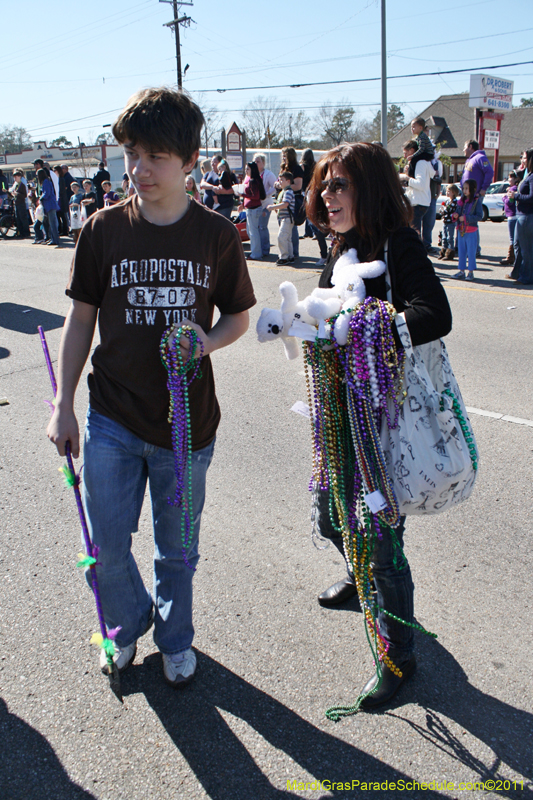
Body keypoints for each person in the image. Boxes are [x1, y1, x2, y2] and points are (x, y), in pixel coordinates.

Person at [46, 87, 256, 688]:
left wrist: (207, 342)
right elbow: (80, 319)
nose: (139, 169)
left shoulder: (216, 235)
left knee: (177, 550)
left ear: (190, 160)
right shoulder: (102, 229)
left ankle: (176, 639)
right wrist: (63, 404)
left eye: (155, 156)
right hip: (111, 416)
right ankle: (125, 625)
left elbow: (238, 315)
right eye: (133, 154)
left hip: (187, 427)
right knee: (106, 546)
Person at [305, 142, 452, 708]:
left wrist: (367, 325)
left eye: (339, 185)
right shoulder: (341, 245)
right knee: (332, 513)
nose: (326, 196)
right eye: (324, 186)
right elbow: (326, 308)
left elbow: (435, 313)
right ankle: (355, 573)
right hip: (339, 412)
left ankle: (398, 659)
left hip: (385, 419)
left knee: (380, 535)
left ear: (368, 187)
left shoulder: (398, 244)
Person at [398, 140, 432, 238]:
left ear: (412, 151)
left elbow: (420, 184)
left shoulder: (420, 163)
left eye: (405, 153)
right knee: (413, 232)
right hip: (418, 202)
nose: (404, 156)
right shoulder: (419, 163)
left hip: (418, 203)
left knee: (414, 233)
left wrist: (406, 178)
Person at [510, 147, 533, 285]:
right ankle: (517, 273)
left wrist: (516, 195)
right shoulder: (527, 174)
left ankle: (527, 277)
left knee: (526, 249)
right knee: (518, 245)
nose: (522, 160)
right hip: (521, 215)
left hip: (527, 216)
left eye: (524, 157)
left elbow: (531, 196)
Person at [452, 179, 483, 281]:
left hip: (471, 230)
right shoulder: (461, 201)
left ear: (472, 189)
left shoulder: (476, 201)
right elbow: (457, 213)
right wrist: (455, 216)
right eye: (463, 188)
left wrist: (465, 218)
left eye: (466, 188)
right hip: (461, 230)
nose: (464, 191)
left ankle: (470, 272)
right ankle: (461, 271)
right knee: (461, 252)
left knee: (471, 252)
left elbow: (479, 216)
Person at [279, 147, 304, 259]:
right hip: (282, 199)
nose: (283, 158)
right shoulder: (283, 168)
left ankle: (294, 252)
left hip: (293, 200)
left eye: (285, 155)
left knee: (292, 227)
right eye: (282, 155)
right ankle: (289, 253)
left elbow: (298, 186)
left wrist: (284, 187)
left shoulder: (297, 168)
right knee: (284, 229)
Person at [267, 171, 295, 265]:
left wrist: (273, 207)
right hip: (286, 218)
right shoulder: (284, 191)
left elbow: (285, 204)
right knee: (287, 238)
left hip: (287, 218)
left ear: (288, 181)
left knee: (281, 237)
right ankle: (290, 256)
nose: (279, 182)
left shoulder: (288, 191)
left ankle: (284, 257)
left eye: (282, 180)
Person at [240, 161, 265, 261]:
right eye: (246, 169)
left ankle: (256, 254)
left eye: (248, 169)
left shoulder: (252, 181)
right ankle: (256, 252)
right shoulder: (255, 180)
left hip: (253, 209)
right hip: (253, 209)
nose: (246, 170)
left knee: (253, 233)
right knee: (252, 232)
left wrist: (243, 194)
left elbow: (255, 196)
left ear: (252, 170)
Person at [253, 153, 277, 258]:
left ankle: (265, 249)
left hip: (266, 205)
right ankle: (258, 249)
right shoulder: (252, 173)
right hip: (254, 205)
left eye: (258, 161)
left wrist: (266, 194)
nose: (255, 163)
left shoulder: (268, 174)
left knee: (262, 227)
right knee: (255, 228)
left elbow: (275, 186)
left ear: (263, 163)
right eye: (254, 161)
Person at [36, 168, 61, 247]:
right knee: (50, 223)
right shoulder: (47, 181)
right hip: (49, 205)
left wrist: (41, 198)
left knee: (53, 223)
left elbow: (47, 193)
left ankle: (55, 240)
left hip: (50, 205)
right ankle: (52, 238)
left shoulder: (46, 182)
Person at [501, 171, 518, 266]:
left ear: (515, 179)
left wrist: (504, 197)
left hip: (513, 216)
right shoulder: (511, 189)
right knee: (513, 238)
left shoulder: (514, 189)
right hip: (510, 215)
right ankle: (512, 257)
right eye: (509, 177)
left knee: (513, 238)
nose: (509, 179)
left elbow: (509, 202)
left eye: (511, 178)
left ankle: (511, 257)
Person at [438, 184, 460, 260]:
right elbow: (441, 210)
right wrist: (443, 209)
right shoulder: (447, 201)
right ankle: (444, 251)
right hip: (445, 221)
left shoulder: (454, 202)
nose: (447, 192)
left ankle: (450, 254)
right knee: (444, 237)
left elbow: (447, 210)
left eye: (449, 191)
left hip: (451, 222)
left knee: (450, 238)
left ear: (453, 192)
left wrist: (444, 209)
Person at [11, 169, 30, 238]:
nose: (15, 178)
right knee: (18, 218)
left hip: (21, 203)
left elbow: (24, 195)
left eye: (16, 176)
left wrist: (17, 194)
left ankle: (26, 232)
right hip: (16, 203)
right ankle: (20, 232)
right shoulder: (16, 184)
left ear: (19, 176)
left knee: (23, 218)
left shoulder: (22, 185)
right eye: (14, 177)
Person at [53, 165, 70, 236]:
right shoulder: (56, 179)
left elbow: (62, 190)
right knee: (58, 215)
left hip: (61, 200)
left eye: (55, 170)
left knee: (63, 215)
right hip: (57, 199)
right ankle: (60, 229)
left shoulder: (61, 179)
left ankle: (65, 230)